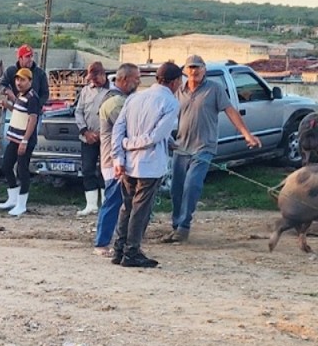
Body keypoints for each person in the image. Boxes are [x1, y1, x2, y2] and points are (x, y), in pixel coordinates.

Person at [163, 54, 260, 244]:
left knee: (192, 185)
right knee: (176, 189)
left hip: (204, 146)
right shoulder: (178, 91)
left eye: (198, 67)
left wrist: (247, 134)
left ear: (204, 69)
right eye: (191, 67)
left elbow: (230, 111)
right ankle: (176, 225)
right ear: (185, 71)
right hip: (181, 146)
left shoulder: (214, 89)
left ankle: (184, 227)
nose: (195, 71)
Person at [111, 62, 182, 268]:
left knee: (127, 207)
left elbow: (119, 129)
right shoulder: (170, 103)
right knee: (140, 209)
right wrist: (131, 144)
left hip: (128, 163)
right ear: (175, 82)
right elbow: (154, 136)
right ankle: (132, 251)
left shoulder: (135, 97)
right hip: (149, 164)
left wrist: (119, 156)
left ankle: (120, 248)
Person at [93, 63, 141, 256]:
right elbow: (130, 128)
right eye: (135, 79)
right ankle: (101, 243)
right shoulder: (115, 103)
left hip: (117, 160)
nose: (138, 82)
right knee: (113, 202)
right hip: (113, 161)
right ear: (123, 79)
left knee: (120, 202)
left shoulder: (122, 99)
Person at [0, 66, 42, 217]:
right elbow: (17, 110)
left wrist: (25, 141)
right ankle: (13, 198)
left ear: (30, 81)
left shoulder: (32, 98)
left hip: (23, 140)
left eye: (22, 79)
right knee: (7, 165)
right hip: (15, 138)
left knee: (22, 170)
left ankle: (21, 204)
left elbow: (32, 119)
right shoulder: (21, 96)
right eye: (17, 79)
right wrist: (7, 105)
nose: (18, 82)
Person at [73, 61, 112, 216]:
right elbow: (79, 112)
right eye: (91, 78)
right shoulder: (85, 91)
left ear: (103, 75)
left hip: (106, 138)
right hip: (87, 137)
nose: (93, 81)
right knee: (88, 169)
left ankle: (105, 203)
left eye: (95, 77)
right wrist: (85, 131)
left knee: (105, 170)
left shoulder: (112, 91)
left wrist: (102, 133)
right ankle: (91, 204)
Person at [0, 44, 49, 110]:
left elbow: (45, 94)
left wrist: (36, 105)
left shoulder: (40, 73)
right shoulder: (11, 71)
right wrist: (7, 91)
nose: (30, 59)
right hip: (15, 109)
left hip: (33, 111)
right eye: (27, 56)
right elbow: (0, 85)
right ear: (20, 58)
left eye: (31, 56)